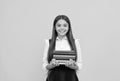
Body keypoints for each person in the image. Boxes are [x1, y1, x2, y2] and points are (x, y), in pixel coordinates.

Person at [42, 15, 83, 81]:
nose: (62, 28)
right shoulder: (48, 43)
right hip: (53, 78)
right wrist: (52, 65)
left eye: (65, 25)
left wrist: (72, 66)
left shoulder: (75, 42)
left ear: (69, 27)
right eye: (59, 25)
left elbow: (79, 65)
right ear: (54, 27)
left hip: (71, 78)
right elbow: (45, 65)